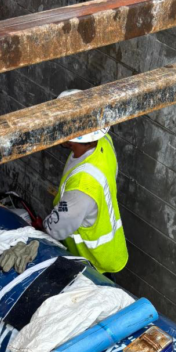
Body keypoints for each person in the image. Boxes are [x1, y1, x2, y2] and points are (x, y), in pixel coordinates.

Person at [43, 89, 128, 275]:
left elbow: (56, 229)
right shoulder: (103, 140)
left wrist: (41, 229)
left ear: (71, 138)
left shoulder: (81, 190)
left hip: (92, 264)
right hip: (109, 251)